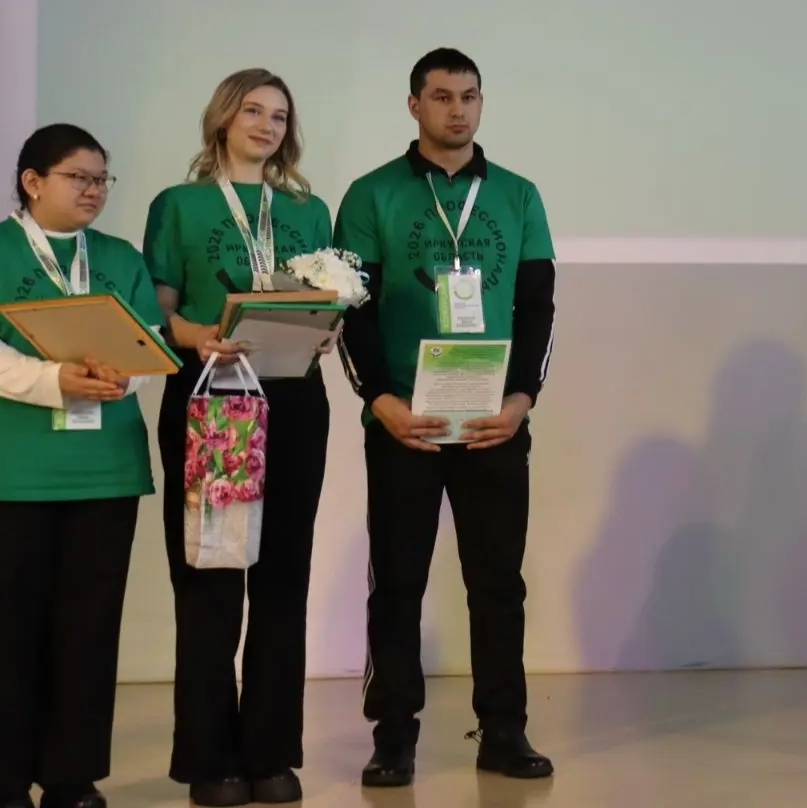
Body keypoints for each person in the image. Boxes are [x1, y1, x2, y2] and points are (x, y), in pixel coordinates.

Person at [335, 48, 558, 788]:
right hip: (407, 423)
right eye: (441, 96)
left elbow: (538, 308)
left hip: (494, 422)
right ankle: (393, 736)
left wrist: (521, 400)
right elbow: (353, 312)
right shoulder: (372, 194)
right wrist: (381, 401)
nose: (457, 110)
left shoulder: (519, 195)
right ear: (414, 105)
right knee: (398, 583)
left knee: (498, 583)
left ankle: (504, 731)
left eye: (469, 96)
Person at [143, 70, 336, 807]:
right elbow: (159, 310)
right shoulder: (179, 205)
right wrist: (201, 337)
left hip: (294, 402)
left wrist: (324, 331)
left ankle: (271, 754)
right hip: (213, 398)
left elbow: (327, 299)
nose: (266, 125)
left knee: (284, 576)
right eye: (253, 110)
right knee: (211, 576)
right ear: (223, 118)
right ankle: (210, 760)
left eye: (279, 115)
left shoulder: (309, 211)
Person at [0, 125, 161, 808]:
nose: (94, 190)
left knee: (89, 631)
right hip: (17, 472)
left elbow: (151, 345)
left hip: (106, 469)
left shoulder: (120, 257)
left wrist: (126, 377)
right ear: (33, 182)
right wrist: (53, 380)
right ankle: (6, 779)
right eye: (79, 177)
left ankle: (72, 778)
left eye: (102, 179)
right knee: (12, 631)